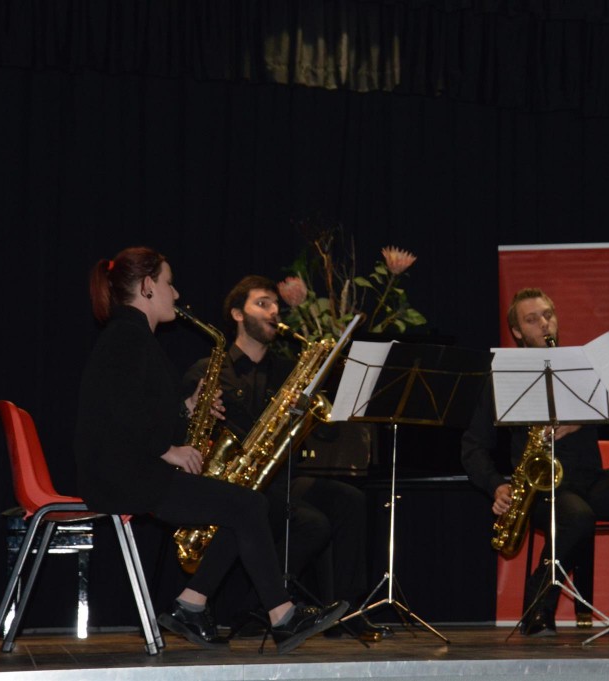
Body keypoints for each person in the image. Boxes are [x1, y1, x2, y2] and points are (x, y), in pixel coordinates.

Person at [74, 247, 348, 654]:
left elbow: (139, 408)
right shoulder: (127, 337)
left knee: (243, 506)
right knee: (248, 505)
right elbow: (118, 412)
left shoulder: (132, 337)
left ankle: (192, 604)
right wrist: (167, 450)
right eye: (169, 283)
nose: (176, 293)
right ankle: (282, 616)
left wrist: (187, 407)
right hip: (125, 477)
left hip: (131, 472)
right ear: (147, 286)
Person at [182, 275, 387, 641]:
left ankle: (347, 609)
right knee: (312, 524)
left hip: (281, 478)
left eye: (276, 304)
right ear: (237, 314)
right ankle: (258, 607)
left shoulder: (287, 369)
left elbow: (324, 431)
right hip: (237, 482)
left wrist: (309, 402)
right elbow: (190, 430)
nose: (274, 311)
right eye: (262, 303)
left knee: (350, 499)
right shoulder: (209, 369)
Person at [461, 287, 609, 637]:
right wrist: (495, 485)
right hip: (542, 491)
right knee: (577, 516)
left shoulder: (585, 366)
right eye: (532, 320)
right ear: (517, 332)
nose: (544, 324)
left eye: (548, 315)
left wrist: (581, 420)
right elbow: (473, 444)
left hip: (591, 479)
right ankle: (539, 606)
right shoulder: (502, 377)